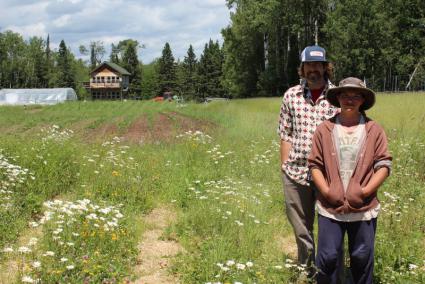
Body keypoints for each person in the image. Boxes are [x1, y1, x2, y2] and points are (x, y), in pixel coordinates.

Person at [308, 77, 392, 283]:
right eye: (345, 95)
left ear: (363, 100)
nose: (350, 100)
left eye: (356, 95)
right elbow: (315, 165)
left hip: (363, 208)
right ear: (337, 98)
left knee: (361, 257)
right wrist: (327, 192)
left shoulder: (374, 130)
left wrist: (364, 192)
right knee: (328, 257)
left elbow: (383, 165)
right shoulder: (324, 129)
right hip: (330, 208)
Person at [277, 45, 338, 272]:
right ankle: (306, 268)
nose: (314, 69)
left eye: (318, 64)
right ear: (302, 68)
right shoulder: (291, 96)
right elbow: (286, 133)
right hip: (295, 172)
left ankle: (329, 269)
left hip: (328, 174)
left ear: (325, 67)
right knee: (301, 226)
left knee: (329, 224)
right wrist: (285, 166)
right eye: (309, 64)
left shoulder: (337, 96)